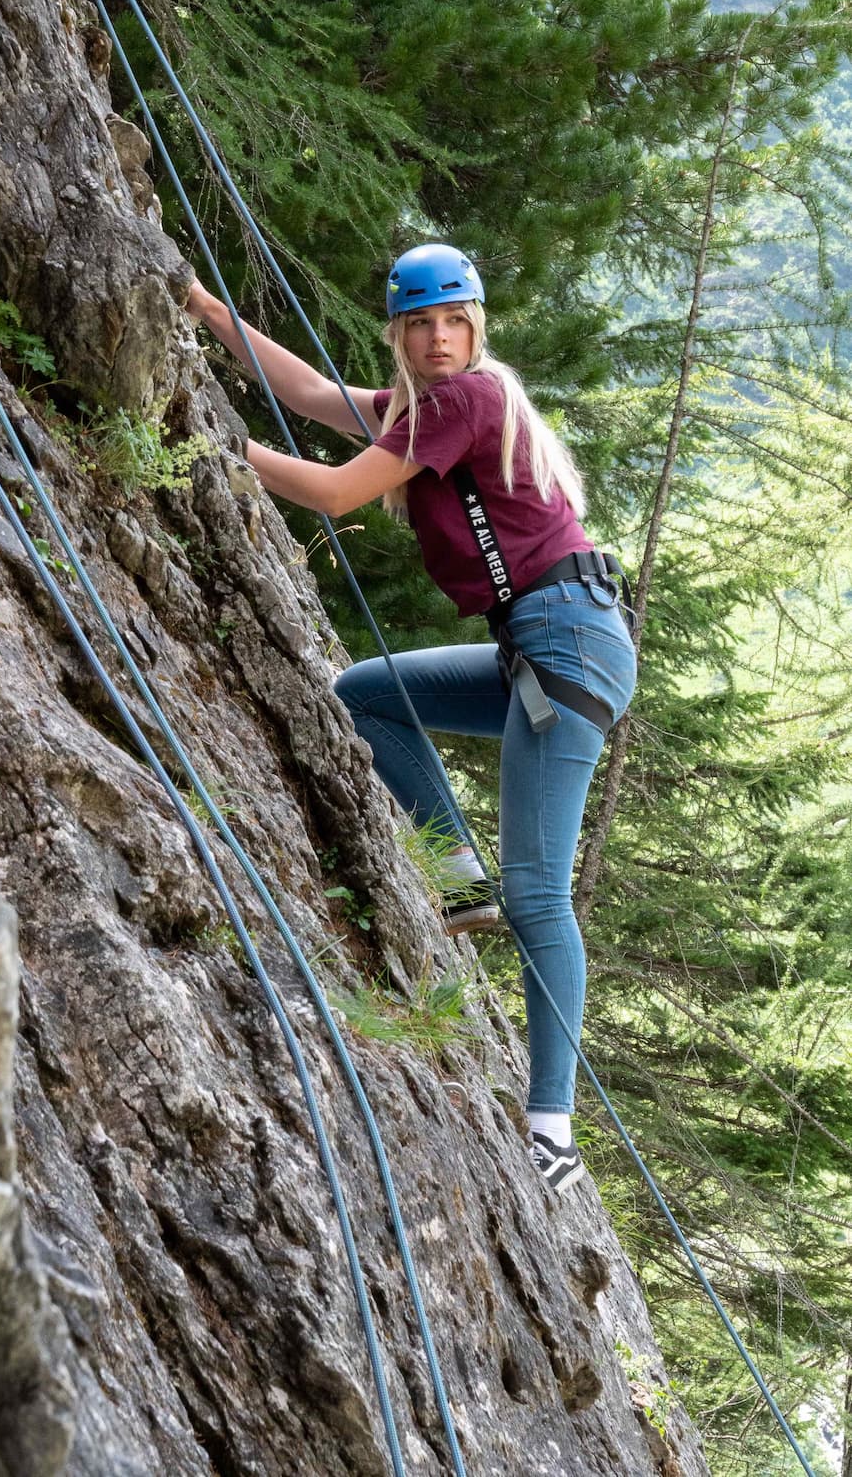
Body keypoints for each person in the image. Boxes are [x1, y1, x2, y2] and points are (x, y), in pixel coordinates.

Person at [186, 244, 637, 1193]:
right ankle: (459, 875)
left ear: (476, 327)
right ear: (401, 333)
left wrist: (202, 433)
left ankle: (551, 1128)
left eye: (454, 321)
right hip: (540, 641)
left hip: (567, 641)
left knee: (541, 895)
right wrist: (199, 306)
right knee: (366, 695)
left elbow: (335, 490)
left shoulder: (469, 398)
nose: (439, 339)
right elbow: (311, 393)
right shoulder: (426, 408)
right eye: (420, 325)